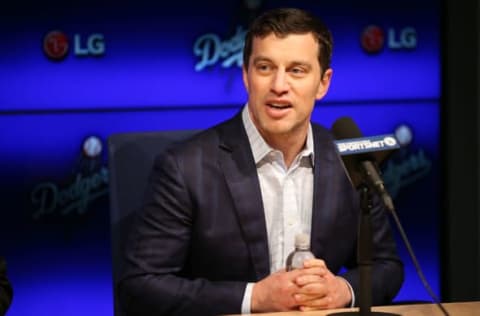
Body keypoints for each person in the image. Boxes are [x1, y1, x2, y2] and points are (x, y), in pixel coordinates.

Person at [118, 7, 404, 316]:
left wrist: (343, 290)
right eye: (265, 67)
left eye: (297, 70)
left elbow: (387, 267)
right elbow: (140, 286)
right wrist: (254, 298)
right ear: (246, 75)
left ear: (323, 83)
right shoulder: (185, 168)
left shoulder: (351, 161)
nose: (279, 85)